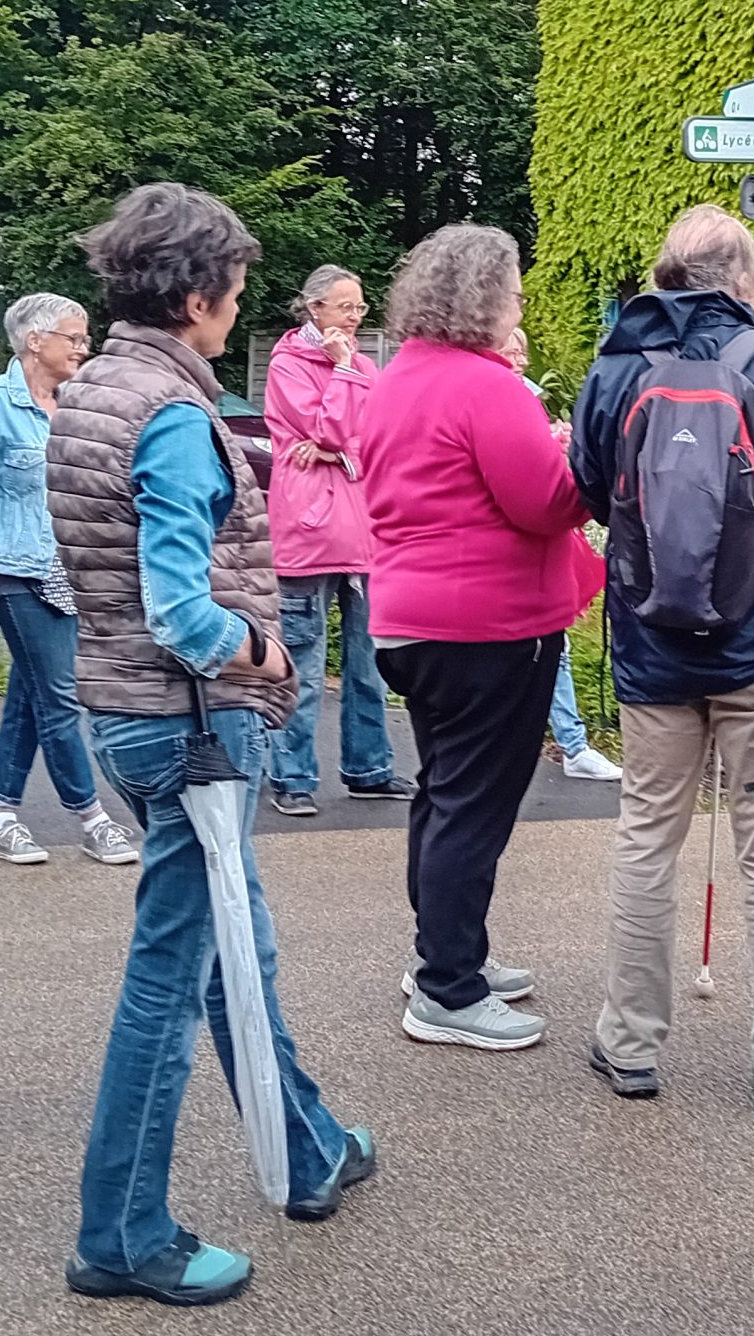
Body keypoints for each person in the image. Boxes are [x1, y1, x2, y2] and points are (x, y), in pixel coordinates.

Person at [49, 184, 366, 1309]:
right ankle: (122, 1232)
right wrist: (268, 660)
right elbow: (181, 610)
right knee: (172, 980)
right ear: (198, 296)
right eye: (232, 292)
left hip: (127, 715)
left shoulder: (95, 386)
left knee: (238, 944)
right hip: (186, 728)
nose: (237, 311)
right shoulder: (175, 414)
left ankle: (310, 1145)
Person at [571, 205, 754, 1114]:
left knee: (645, 839)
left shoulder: (617, 369)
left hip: (653, 648)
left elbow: (587, 490)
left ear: (664, 275)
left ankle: (629, 1044)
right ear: (743, 283)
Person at [358, 230, 603, 1050]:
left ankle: (445, 954)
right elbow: (544, 502)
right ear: (484, 299)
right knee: (473, 806)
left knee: (442, 792)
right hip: (488, 624)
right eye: (516, 292)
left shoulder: (397, 380)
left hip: (408, 615)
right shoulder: (484, 385)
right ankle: (448, 989)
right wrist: (575, 463)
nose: (521, 305)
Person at [0, 293, 136, 867]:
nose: (83, 347)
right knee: (60, 697)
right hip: (16, 569)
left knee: (31, 695)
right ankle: (91, 817)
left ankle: (1, 818)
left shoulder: (76, 403)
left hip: (72, 569)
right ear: (35, 341)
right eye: (73, 337)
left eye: (85, 337)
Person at [261, 264, 409, 815]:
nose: (355, 317)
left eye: (360, 307)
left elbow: (378, 437)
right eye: (345, 306)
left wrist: (339, 449)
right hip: (309, 532)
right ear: (313, 308)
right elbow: (326, 429)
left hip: (365, 529)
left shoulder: (368, 367)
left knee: (369, 664)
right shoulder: (289, 365)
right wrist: (345, 380)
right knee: (300, 661)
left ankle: (369, 769)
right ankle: (292, 776)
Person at [506, 325, 620, 784]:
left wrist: (562, 449)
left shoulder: (526, 398)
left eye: (521, 349)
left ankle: (569, 742)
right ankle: (562, 742)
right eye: (508, 348)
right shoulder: (502, 400)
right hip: (516, 547)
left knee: (554, 642)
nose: (516, 357)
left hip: (537, 544)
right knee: (538, 644)